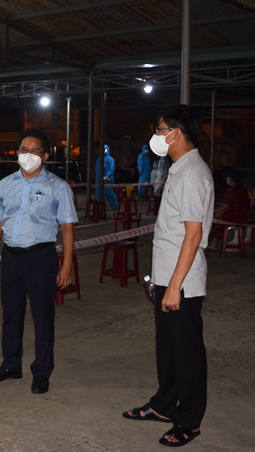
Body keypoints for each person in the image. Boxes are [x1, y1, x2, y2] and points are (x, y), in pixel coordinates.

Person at [123, 105, 214, 448]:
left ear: (177, 132)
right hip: (168, 277)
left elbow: (192, 236)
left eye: (160, 129)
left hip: (183, 284)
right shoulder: (179, 168)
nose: (157, 136)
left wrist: (174, 286)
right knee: (169, 351)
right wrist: (159, 280)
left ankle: (189, 420)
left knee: (187, 353)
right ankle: (164, 405)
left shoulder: (192, 173)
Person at [0, 128, 77, 395]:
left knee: (43, 317)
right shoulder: (6, 184)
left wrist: (66, 265)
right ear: (17, 153)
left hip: (40, 257)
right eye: (24, 149)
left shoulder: (58, 187)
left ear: (45, 155)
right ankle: (11, 365)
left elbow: (67, 227)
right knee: (11, 315)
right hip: (11, 256)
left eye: (35, 150)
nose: (28, 154)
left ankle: (42, 371)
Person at [206, 168, 250, 252]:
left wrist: (217, 215)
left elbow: (224, 207)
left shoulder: (231, 191)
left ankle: (212, 245)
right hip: (244, 217)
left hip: (233, 217)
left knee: (215, 222)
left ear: (231, 179)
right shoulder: (243, 190)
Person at [95, 144, 119, 210]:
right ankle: (99, 208)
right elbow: (97, 169)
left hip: (108, 180)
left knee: (109, 194)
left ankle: (115, 206)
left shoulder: (110, 160)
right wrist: (98, 177)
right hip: (99, 180)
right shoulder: (99, 160)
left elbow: (111, 169)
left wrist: (107, 176)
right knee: (99, 195)